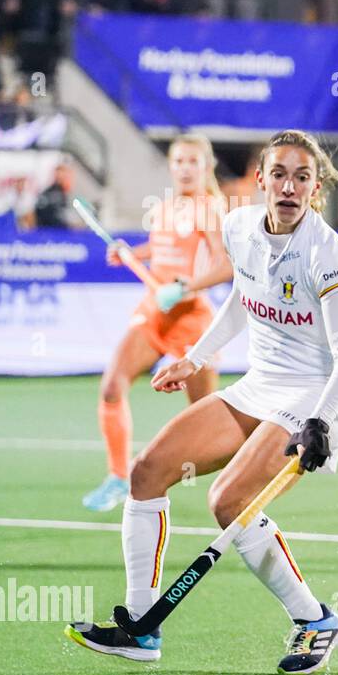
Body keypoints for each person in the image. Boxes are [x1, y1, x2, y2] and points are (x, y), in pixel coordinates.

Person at [67, 130, 338, 674]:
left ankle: (316, 620)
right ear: (260, 180)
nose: (289, 187)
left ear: (315, 187)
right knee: (147, 471)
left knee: (228, 501)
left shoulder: (327, 253)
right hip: (258, 384)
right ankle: (140, 627)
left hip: (314, 397)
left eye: (301, 177)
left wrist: (320, 422)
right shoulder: (239, 225)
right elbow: (239, 299)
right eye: (279, 175)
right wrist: (195, 357)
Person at [82, 135, 231, 512]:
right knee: (112, 388)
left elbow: (225, 266)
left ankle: (244, 473)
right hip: (154, 312)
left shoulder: (211, 209)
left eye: (192, 162)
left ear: (206, 167)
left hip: (191, 318)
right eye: (178, 161)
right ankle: (118, 477)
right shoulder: (166, 208)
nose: (184, 168)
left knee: (207, 417)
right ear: (170, 165)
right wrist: (132, 253)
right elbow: (163, 247)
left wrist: (184, 287)